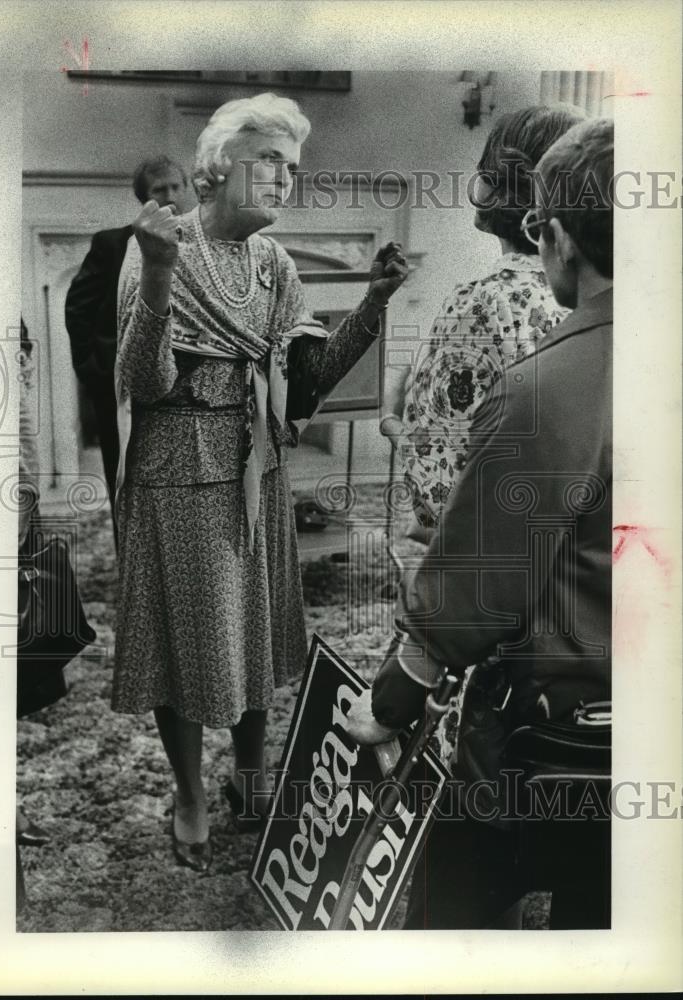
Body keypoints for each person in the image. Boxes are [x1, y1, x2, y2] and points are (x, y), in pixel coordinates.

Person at [110, 93, 408, 873]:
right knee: (183, 644)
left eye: (292, 166)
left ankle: (247, 785)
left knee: (254, 634)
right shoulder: (159, 247)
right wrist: (159, 272)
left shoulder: (273, 265)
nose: (285, 178)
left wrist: (373, 303)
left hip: (256, 464)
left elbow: (304, 386)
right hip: (178, 468)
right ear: (214, 167)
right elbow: (142, 382)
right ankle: (189, 795)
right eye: (268, 159)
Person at [347, 117, 614, 929]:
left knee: (448, 922)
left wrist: (390, 702)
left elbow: (473, 591)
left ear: (559, 236)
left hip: (556, 741)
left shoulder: (549, 387)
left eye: (544, 227)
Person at [381, 104, 587, 540]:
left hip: (499, 572)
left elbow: (436, 488)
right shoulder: (601, 300)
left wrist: (392, 422)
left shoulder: (480, 304)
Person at [65, 156, 189, 541]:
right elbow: (78, 310)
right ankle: (135, 575)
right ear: (144, 198)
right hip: (123, 392)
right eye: (159, 190)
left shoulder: (202, 245)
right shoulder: (113, 244)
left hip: (182, 391)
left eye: (175, 187)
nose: (170, 197)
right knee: (128, 487)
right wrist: (101, 374)